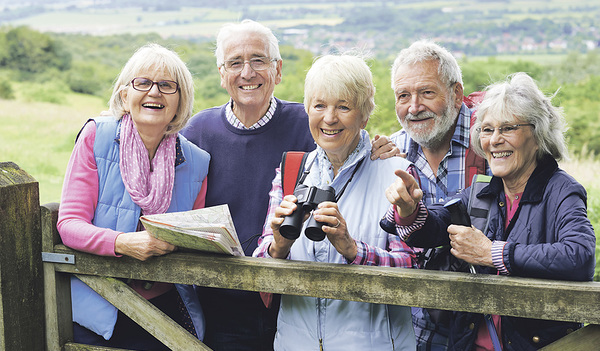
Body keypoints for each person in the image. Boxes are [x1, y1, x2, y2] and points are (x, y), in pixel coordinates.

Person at [180, 19, 397, 350]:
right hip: (223, 301)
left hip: (297, 303)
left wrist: (380, 150)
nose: (247, 72)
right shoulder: (198, 131)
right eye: (235, 63)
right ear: (222, 74)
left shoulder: (311, 123)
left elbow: (350, 149)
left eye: (259, 60)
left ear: (278, 70)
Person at [384, 72, 596, 350]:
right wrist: (409, 210)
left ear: (538, 134)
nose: (494, 140)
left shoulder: (561, 190)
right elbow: (437, 226)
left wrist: (492, 252)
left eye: (508, 128)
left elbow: (579, 256)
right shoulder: (483, 190)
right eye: (486, 129)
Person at [253, 54, 417, 350]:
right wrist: (278, 246)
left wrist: (353, 249)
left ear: (365, 114)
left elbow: (413, 268)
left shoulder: (395, 174)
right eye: (319, 106)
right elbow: (261, 267)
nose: (329, 118)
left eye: (343, 107)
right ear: (307, 110)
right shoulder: (291, 170)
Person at [57, 43, 209, 350]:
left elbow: (197, 238)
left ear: (180, 102)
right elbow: (69, 223)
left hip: (167, 309)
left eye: (167, 86)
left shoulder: (197, 161)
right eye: (143, 83)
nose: (154, 92)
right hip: (98, 306)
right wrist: (123, 243)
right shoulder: (96, 137)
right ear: (125, 95)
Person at [384, 39, 489, 350]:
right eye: (404, 96)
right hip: (420, 329)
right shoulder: (392, 155)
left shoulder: (492, 141)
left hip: (492, 325)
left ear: (456, 94)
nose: (414, 107)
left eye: (427, 92)